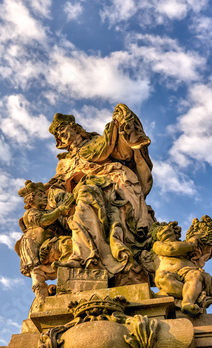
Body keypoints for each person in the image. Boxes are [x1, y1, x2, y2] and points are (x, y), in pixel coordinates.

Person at [48, 104, 156, 279]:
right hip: (82, 193)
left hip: (111, 183)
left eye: (62, 129)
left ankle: (86, 258)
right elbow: (55, 185)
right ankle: (83, 257)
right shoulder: (64, 163)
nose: (61, 135)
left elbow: (124, 153)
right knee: (83, 198)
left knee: (86, 195)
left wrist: (122, 126)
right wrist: (58, 195)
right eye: (58, 134)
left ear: (75, 129)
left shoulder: (97, 142)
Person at [149, 217, 212, 316]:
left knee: (195, 275)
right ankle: (195, 295)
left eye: (165, 228)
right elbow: (170, 249)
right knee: (162, 278)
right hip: (168, 276)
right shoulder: (158, 245)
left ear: (174, 231)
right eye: (159, 231)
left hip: (186, 272)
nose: (163, 230)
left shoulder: (183, 245)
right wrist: (191, 244)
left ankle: (188, 302)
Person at [15, 180, 73, 305]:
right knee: (37, 273)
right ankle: (42, 300)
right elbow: (43, 221)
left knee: (68, 245)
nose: (44, 198)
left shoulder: (49, 212)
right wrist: (60, 210)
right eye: (40, 196)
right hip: (33, 246)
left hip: (48, 245)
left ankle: (67, 279)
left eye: (44, 195)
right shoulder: (30, 213)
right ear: (31, 199)